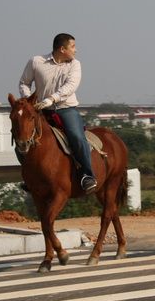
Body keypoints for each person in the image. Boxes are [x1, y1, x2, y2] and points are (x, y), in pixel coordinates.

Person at [18, 33, 97, 194]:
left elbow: (70, 87)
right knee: (21, 139)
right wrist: (28, 101)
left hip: (65, 108)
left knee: (76, 136)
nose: (76, 50)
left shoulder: (75, 65)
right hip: (40, 110)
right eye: (73, 47)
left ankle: (87, 175)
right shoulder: (36, 62)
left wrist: (51, 99)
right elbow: (24, 83)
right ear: (62, 49)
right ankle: (30, 177)